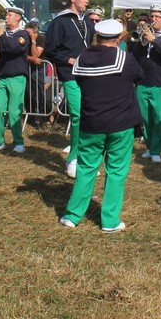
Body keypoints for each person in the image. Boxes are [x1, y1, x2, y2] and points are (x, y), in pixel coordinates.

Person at [58, 18, 143, 232]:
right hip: (120, 123)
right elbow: (138, 76)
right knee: (116, 171)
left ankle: (72, 216)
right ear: (118, 38)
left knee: (86, 168)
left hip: (91, 123)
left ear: (97, 37)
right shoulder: (125, 58)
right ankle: (110, 220)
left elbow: (80, 82)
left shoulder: (82, 58)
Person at [43, 0, 96, 177]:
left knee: (88, 116)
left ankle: (85, 158)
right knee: (78, 115)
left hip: (87, 74)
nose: (87, 1)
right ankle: (74, 158)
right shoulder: (60, 22)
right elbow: (50, 51)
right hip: (70, 74)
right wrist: (69, 60)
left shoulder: (88, 21)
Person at [128, 4, 161, 164]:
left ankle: (157, 149)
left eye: (157, 17)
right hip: (143, 82)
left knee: (159, 118)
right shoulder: (146, 34)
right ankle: (150, 147)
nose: (153, 19)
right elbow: (134, 54)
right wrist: (140, 40)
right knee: (146, 118)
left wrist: (154, 40)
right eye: (152, 16)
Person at [0, 7, 31, 153]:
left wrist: (0, 34)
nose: (6, 18)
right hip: (2, 76)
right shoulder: (4, 35)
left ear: (17, 18)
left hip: (17, 77)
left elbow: (14, 48)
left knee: (14, 112)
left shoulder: (23, 34)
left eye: (9, 15)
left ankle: (18, 141)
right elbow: (1, 49)